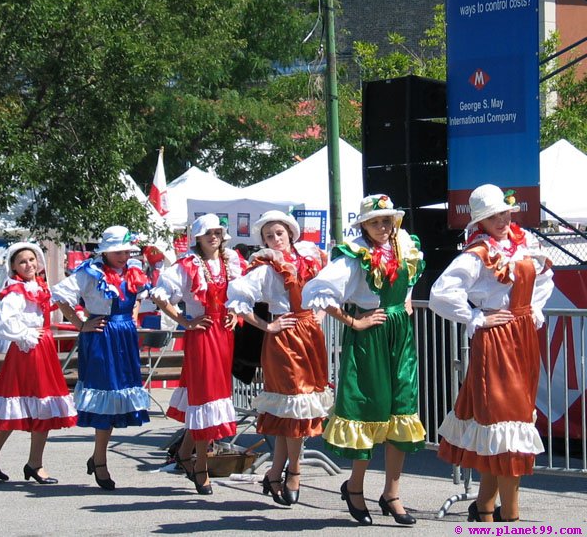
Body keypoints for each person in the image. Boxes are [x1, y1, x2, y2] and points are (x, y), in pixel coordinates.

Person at [429, 184, 554, 523]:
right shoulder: (476, 254)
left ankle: (484, 507)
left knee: (510, 424)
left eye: (504, 213)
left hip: (523, 337)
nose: (501, 220)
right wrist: (477, 316)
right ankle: (510, 517)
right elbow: (441, 294)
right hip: (496, 341)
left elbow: (545, 278)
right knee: (505, 425)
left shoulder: (523, 244)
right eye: (492, 216)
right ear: (480, 222)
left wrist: (531, 311)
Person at [302, 194, 426, 525]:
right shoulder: (355, 254)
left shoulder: (403, 244)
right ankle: (355, 487)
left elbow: (411, 275)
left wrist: (407, 299)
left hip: (399, 334)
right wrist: (355, 321)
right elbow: (318, 291)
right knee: (369, 411)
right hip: (369, 337)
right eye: (375, 222)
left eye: (386, 220)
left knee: (401, 411)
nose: (382, 227)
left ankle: (392, 493)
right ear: (364, 225)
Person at [226, 210, 332, 506]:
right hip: (283, 339)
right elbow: (237, 298)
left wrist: (319, 313)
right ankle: (294, 472)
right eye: (269, 236)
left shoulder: (310, 258)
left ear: (290, 234)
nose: (275, 240)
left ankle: (274, 473)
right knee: (295, 404)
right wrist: (267, 325)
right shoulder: (265, 267)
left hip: (309, 334)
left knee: (295, 409)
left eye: (279, 234)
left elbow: (331, 288)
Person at [52, 226, 151, 490]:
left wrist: (133, 315)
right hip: (102, 335)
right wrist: (80, 323)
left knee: (117, 397)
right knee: (106, 397)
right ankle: (100, 460)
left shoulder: (133, 270)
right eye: (118, 251)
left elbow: (140, 295)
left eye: (126, 250)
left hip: (125, 335)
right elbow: (61, 295)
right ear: (106, 252)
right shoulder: (90, 271)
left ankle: (98, 457)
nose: (123, 255)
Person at [151, 214, 241, 495]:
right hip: (201, 335)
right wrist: (186, 321)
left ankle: (185, 453)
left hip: (224, 335)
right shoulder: (187, 265)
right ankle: (200, 465)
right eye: (207, 233)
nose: (213, 237)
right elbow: (159, 294)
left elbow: (242, 294)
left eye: (217, 232)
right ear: (198, 237)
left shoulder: (230, 261)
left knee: (213, 398)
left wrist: (236, 313)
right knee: (205, 400)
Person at [0, 242, 77, 484]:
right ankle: (33, 463)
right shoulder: (16, 290)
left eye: (31, 260)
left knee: (29, 405)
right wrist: (26, 335)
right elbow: (4, 322)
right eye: (22, 262)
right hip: (29, 350)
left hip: (41, 348)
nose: (28, 265)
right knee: (39, 404)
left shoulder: (37, 286)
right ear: (13, 267)